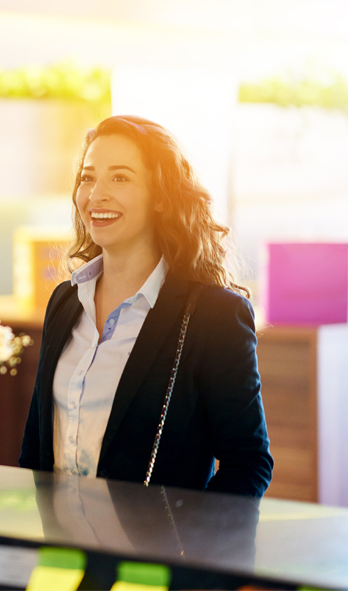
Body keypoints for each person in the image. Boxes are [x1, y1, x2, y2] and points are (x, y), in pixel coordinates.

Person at [19, 115, 273, 497]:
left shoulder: (213, 315)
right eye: (88, 177)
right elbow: (36, 449)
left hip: (152, 553)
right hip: (59, 549)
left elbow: (248, 463)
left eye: (120, 178)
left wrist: (187, 542)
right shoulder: (65, 300)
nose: (96, 194)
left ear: (160, 197)